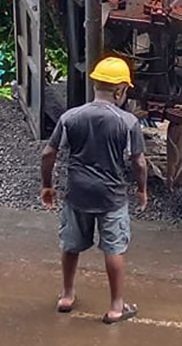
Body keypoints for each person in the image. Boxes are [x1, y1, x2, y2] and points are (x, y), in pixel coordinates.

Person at [40, 56, 147, 325]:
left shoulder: (71, 117)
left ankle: (66, 295)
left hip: (77, 194)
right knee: (114, 249)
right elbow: (139, 161)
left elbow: (48, 153)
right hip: (111, 197)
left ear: (95, 85)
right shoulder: (128, 122)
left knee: (71, 245)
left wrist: (47, 186)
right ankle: (116, 308)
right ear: (120, 90)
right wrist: (142, 189)